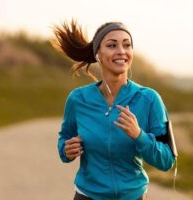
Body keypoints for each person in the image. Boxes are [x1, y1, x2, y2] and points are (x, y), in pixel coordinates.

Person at [52, 20, 175, 200]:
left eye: (127, 45)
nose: (121, 51)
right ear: (98, 54)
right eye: (112, 45)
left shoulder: (149, 99)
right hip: (88, 196)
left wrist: (139, 135)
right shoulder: (78, 99)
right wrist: (66, 150)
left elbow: (167, 160)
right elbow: (64, 140)